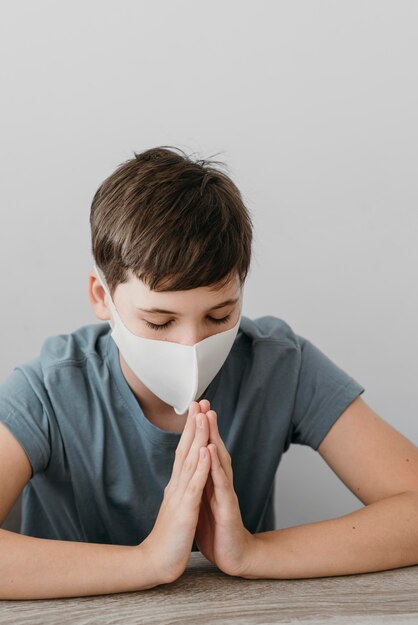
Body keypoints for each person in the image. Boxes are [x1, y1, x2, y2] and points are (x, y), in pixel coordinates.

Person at [1, 146, 418, 600]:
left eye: (219, 316)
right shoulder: (47, 390)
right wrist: (150, 560)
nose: (191, 346)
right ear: (102, 296)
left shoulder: (277, 364)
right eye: (159, 322)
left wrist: (252, 554)